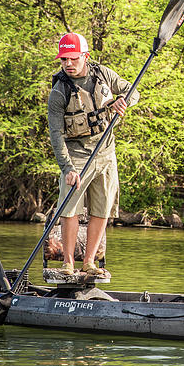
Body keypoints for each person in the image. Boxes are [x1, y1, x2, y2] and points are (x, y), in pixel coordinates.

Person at [47, 32, 139, 277]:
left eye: (73, 58)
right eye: (64, 59)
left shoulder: (104, 75)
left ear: (85, 57)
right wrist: (67, 168)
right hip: (76, 155)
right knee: (69, 210)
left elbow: (133, 91)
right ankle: (68, 263)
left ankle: (90, 262)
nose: (68, 64)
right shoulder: (58, 92)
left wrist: (123, 100)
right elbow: (56, 134)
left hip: (106, 152)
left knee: (102, 209)